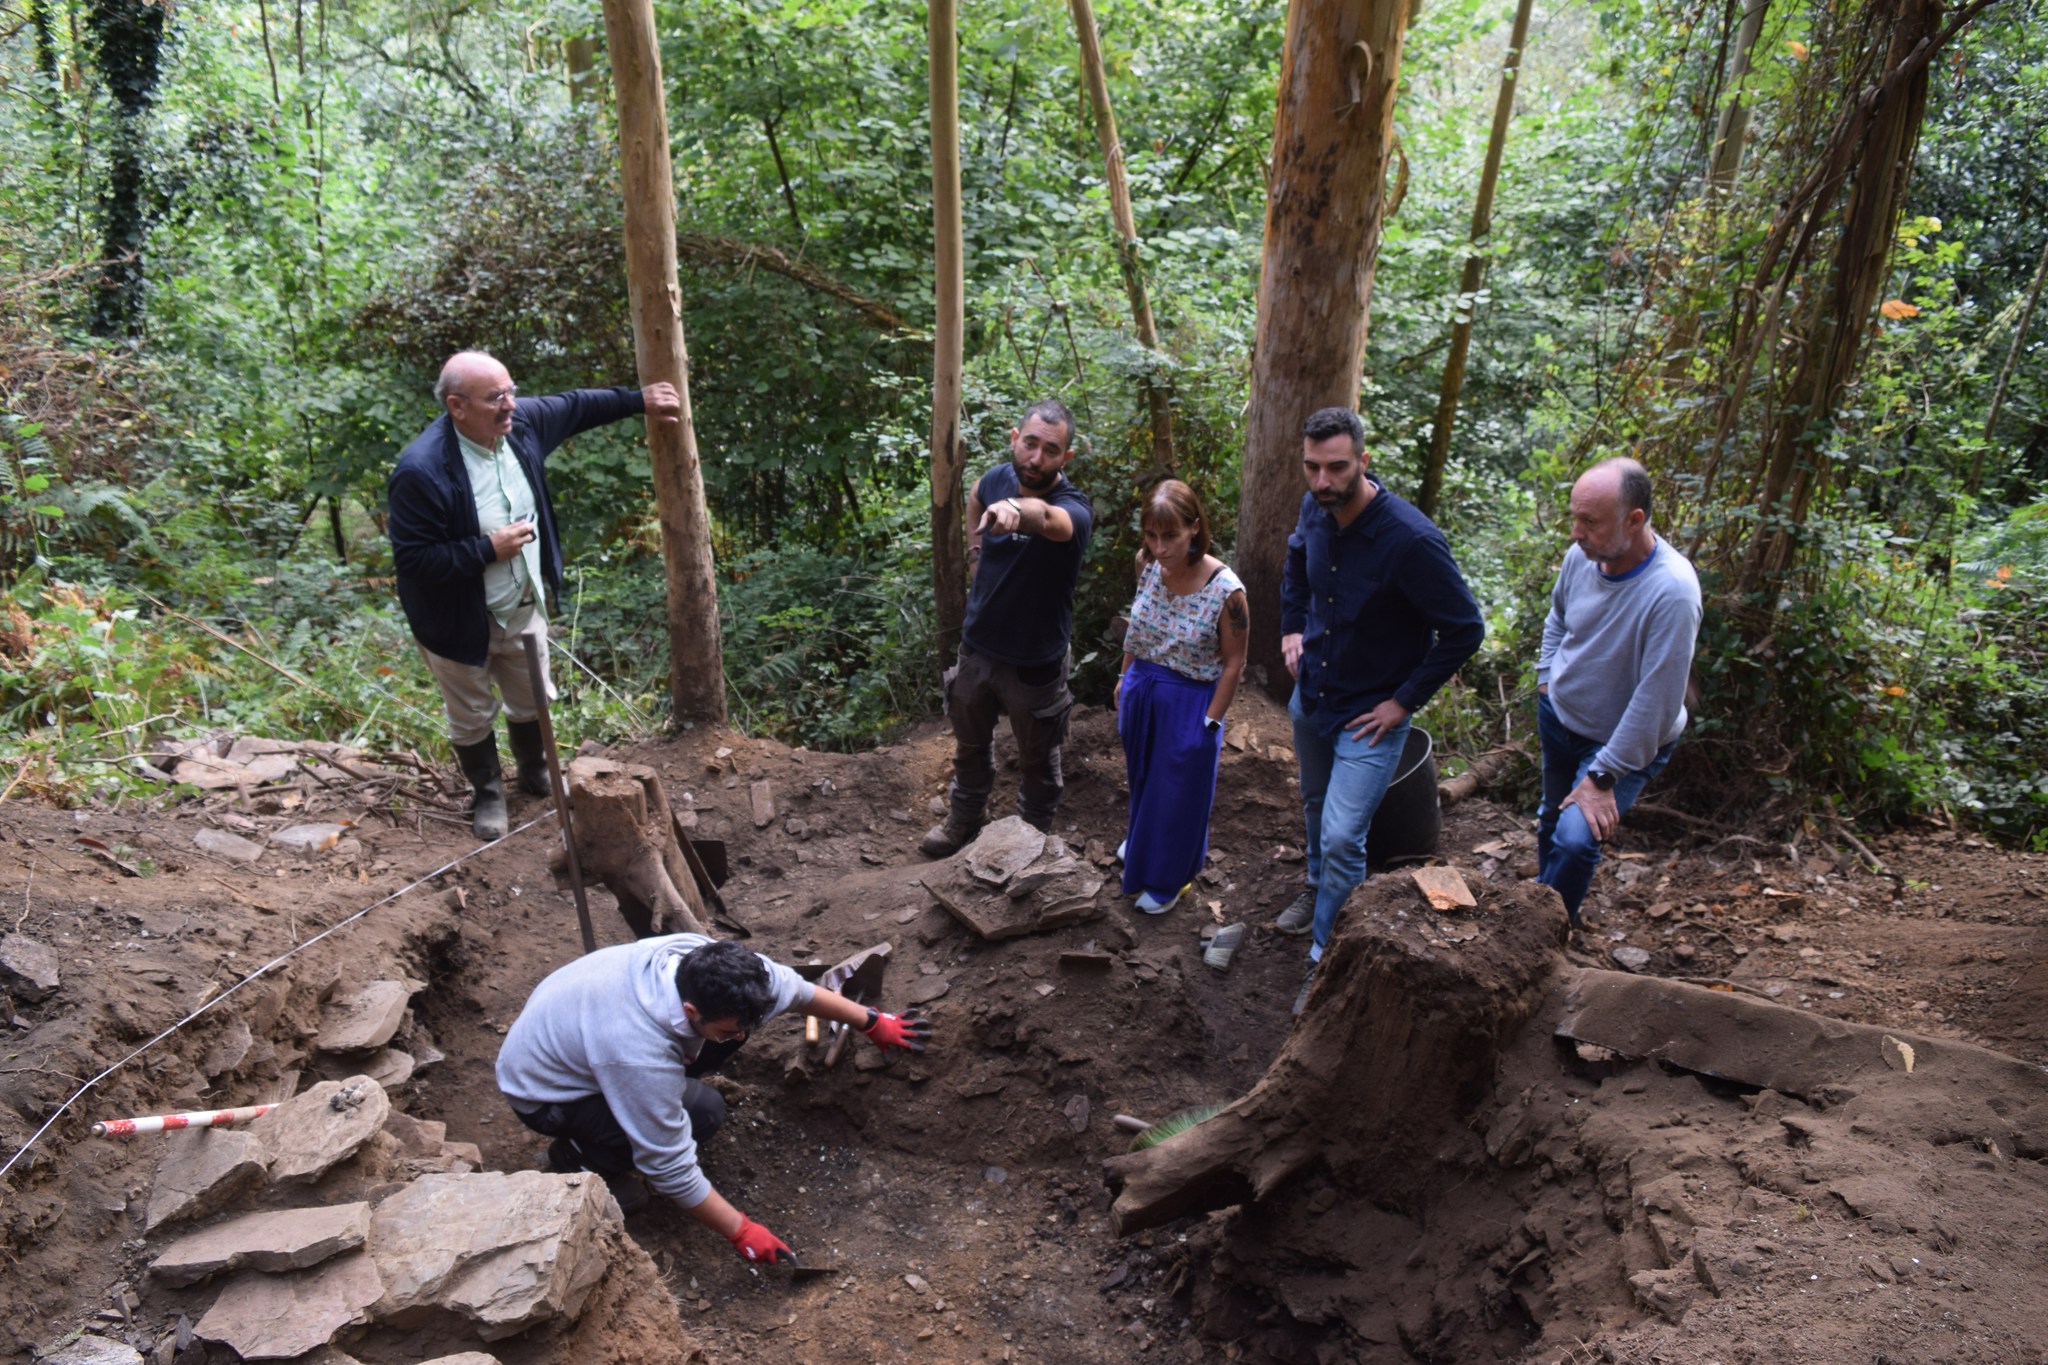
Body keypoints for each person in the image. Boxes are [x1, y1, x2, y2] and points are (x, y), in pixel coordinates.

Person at [388, 350, 681, 841]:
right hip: (454, 622)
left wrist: (639, 400)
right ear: (456, 406)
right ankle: (487, 793)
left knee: (531, 700)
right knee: (471, 713)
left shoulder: (519, 428)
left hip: (522, 606)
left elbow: (576, 405)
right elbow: (414, 561)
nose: (510, 405)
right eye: (495, 398)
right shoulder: (422, 471)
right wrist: (487, 548)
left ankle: (534, 770)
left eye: (511, 391)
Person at [496, 935, 931, 1257]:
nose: (739, 1038)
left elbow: (795, 991)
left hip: (582, 1038)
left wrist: (872, 1022)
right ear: (690, 1012)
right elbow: (667, 1165)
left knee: (711, 1076)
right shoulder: (635, 1052)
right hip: (548, 1094)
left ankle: (656, 1093)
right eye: (727, 1028)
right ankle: (580, 1157)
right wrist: (741, 1230)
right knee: (703, 1115)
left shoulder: (720, 970)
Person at [1278, 408, 1484, 1015]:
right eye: (1312, 467)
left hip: (1371, 716)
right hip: (1312, 693)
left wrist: (1403, 702)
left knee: (1345, 835)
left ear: (1364, 462)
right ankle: (1316, 890)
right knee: (1315, 806)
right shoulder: (1313, 506)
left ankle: (1325, 957)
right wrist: (1292, 627)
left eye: (1337, 467)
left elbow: (1464, 629)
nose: (1323, 481)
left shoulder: (1412, 540)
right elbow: (1295, 563)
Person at [920, 400, 1095, 858]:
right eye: (1030, 444)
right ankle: (965, 818)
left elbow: (1055, 523)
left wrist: (1021, 509)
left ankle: (1029, 841)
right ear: (1015, 438)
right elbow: (977, 492)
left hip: (1035, 662)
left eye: (1051, 451)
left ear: (1067, 458)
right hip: (978, 647)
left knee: (1038, 759)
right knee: (970, 745)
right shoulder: (998, 477)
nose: (1036, 458)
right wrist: (976, 553)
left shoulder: (1073, 508)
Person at [1535, 457, 1702, 927]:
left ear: (1635, 520)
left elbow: (1657, 701)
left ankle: (1548, 934)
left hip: (1621, 744)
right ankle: (1540, 906)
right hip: (1560, 714)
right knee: (1552, 816)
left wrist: (1603, 777)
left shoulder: (1671, 591)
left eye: (1590, 521)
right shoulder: (1582, 556)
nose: (1575, 532)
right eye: (1574, 517)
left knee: (1575, 838)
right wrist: (1546, 678)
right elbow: (1558, 618)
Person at [1114, 480, 1248, 913]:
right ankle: (1141, 842)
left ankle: (1169, 880)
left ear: (1194, 528)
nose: (1159, 546)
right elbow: (1139, 624)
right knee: (1144, 780)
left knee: (1179, 793)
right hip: (1143, 687)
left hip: (1190, 699)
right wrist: (1124, 675)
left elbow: (1234, 664)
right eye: (1151, 535)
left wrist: (1210, 721)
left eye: (1169, 535)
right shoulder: (1147, 564)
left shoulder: (1228, 592)